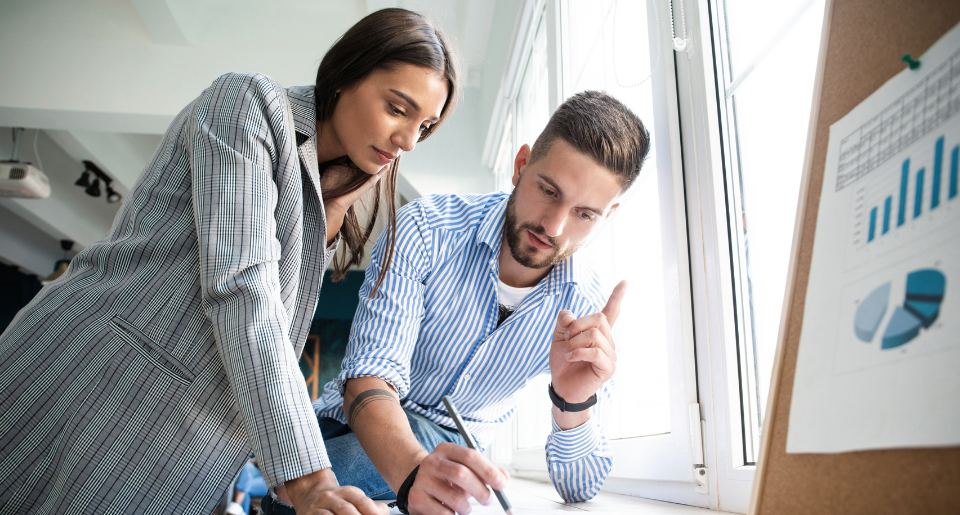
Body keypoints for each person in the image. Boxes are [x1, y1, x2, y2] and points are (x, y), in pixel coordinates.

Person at [0, 8, 457, 515]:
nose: (408, 141)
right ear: (346, 74)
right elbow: (242, 288)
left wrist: (333, 209)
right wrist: (310, 481)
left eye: (424, 126)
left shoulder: (326, 189)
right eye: (397, 109)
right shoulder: (248, 103)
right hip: (96, 376)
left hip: (182, 436)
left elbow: (272, 322)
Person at [264, 91, 650, 515]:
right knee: (293, 473)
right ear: (521, 165)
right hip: (343, 422)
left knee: (297, 485)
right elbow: (368, 376)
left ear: (608, 214)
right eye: (548, 190)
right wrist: (413, 473)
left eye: (584, 214)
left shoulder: (589, 310)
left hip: (448, 453)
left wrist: (571, 402)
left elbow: (580, 488)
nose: (554, 226)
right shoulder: (427, 227)